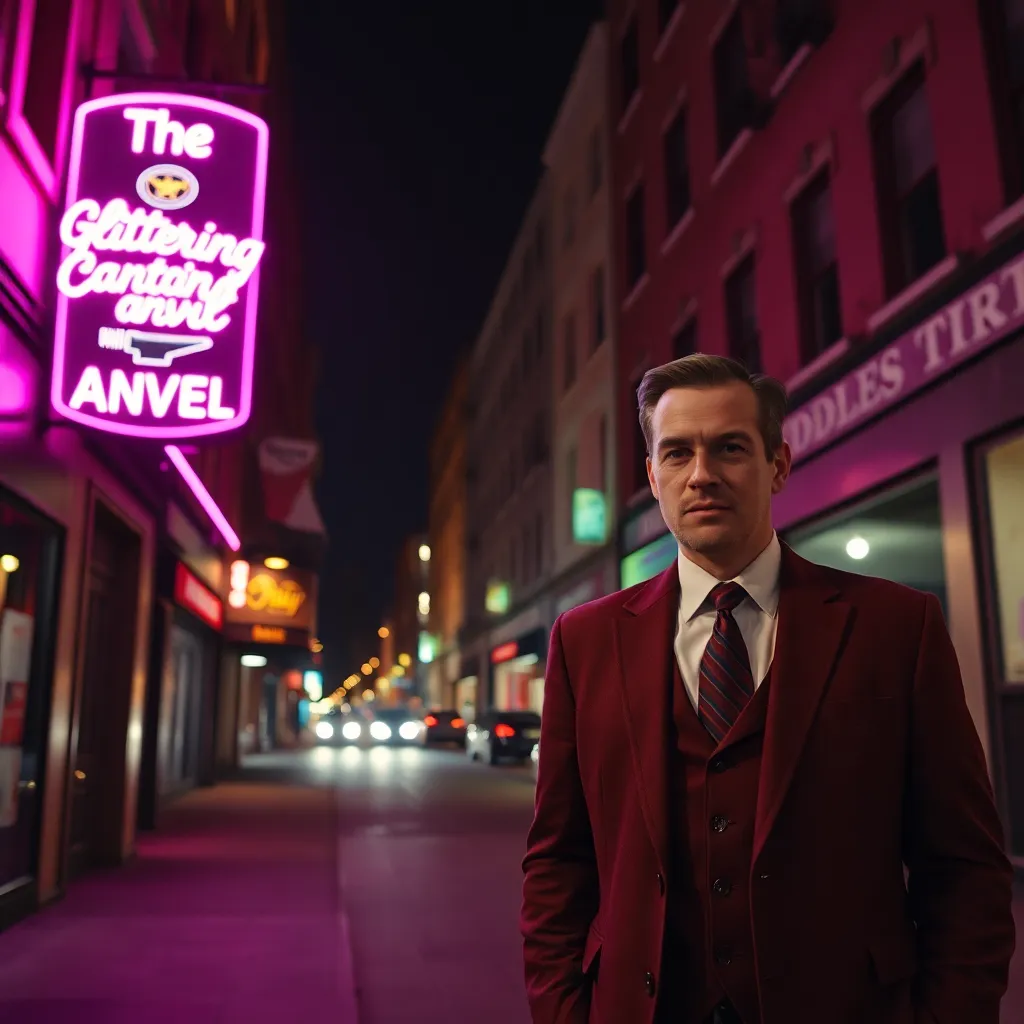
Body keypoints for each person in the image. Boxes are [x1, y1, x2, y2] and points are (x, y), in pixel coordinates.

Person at [521, 354, 1015, 1024]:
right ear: (652, 478)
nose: (702, 475)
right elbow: (558, 861)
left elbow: (962, 866)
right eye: (677, 453)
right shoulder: (584, 641)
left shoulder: (896, 627)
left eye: (729, 447)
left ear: (778, 465)